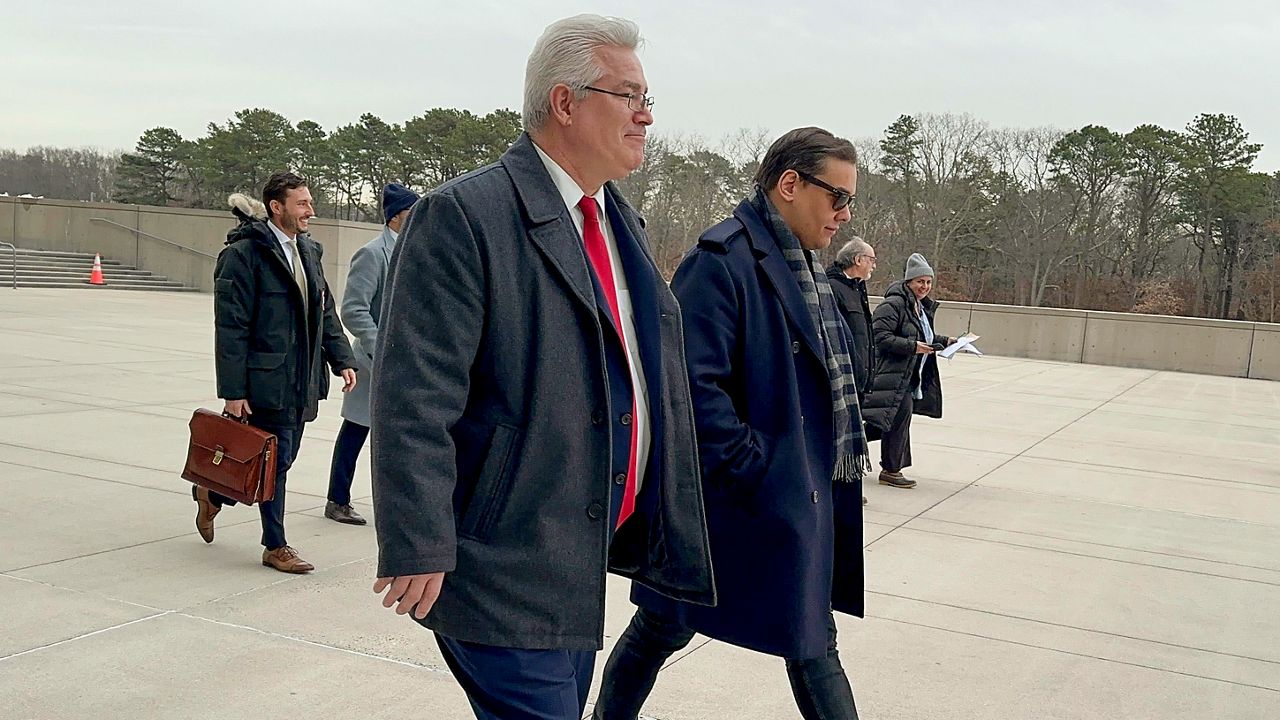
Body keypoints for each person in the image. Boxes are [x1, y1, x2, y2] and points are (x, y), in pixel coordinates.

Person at [368, 14, 714, 720]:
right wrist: (418, 539)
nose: (647, 116)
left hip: (577, 558)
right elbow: (414, 397)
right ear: (565, 102)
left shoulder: (620, 223)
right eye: (630, 96)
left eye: (649, 99)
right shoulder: (465, 216)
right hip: (500, 561)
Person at [594, 127, 870, 720]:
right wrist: (762, 468)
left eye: (850, 200)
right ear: (790, 184)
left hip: (797, 492)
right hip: (739, 502)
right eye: (838, 197)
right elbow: (691, 388)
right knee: (670, 626)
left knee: (803, 639)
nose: (845, 214)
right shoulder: (720, 262)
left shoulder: (809, 273)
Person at [194, 171, 358, 573]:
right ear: (276, 207)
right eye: (302, 203)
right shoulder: (244, 255)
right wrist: (233, 391)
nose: (310, 211)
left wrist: (342, 358)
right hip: (265, 379)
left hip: (302, 380)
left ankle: (213, 493)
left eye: (309, 202)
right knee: (275, 463)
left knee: (276, 461)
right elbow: (230, 328)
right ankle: (275, 545)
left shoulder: (310, 252)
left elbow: (324, 310)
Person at [323, 183, 420, 526]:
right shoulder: (372, 254)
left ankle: (396, 506)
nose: (418, 218)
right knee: (356, 430)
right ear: (396, 216)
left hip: (407, 362)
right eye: (413, 212)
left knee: (401, 438)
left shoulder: (417, 251)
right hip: (373, 360)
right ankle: (338, 499)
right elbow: (353, 309)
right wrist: (380, 347)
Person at [861, 253, 952, 489]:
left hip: (909, 377)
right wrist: (912, 347)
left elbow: (924, 338)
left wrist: (947, 341)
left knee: (887, 421)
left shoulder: (919, 307)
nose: (925, 287)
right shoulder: (894, 304)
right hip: (891, 374)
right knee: (892, 420)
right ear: (909, 282)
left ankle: (851, 447)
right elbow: (879, 337)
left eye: (928, 282)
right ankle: (891, 469)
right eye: (920, 282)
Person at [827, 238, 877, 506]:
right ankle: (836, 487)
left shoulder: (858, 289)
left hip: (859, 378)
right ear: (858, 260)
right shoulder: (832, 288)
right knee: (837, 438)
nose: (873, 266)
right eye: (871, 260)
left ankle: (848, 486)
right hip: (841, 380)